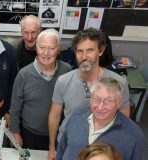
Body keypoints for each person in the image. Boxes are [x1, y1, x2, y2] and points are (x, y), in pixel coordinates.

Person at [48, 28, 130, 159]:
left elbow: (124, 122)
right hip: (69, 146)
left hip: (102, 152)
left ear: (101, 51)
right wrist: (52, 148)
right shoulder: (63, 81)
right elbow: (54, 116)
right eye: (80, 51)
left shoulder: (119, 83)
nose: (84, 56)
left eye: (90, 50)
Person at [9, 29, 72, 150]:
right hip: (30, 135)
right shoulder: (23, 74)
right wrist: (15, 132)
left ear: (58, 50)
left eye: (51, 48)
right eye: (42, 47)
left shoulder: (67, 71)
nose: (46, 53)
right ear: (36, 48)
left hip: (59, 135)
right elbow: (14, 109)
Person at [56, 77, 144, 160]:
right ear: (90, 99)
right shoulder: (76, 117)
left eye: (108, 101)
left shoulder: (133, 135)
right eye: (97, 99)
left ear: (119, 103)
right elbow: (62, 149)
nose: (101, 107)